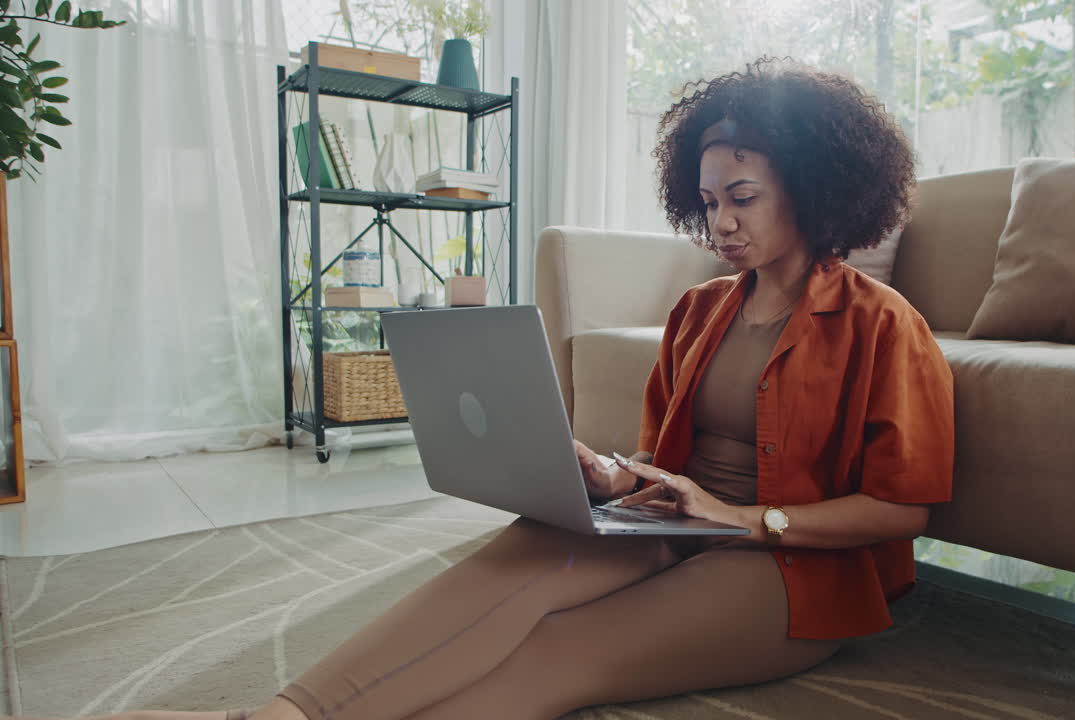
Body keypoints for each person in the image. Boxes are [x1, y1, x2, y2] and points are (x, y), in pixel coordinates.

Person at [32, 56, 954, 720]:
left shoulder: (883, 323)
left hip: (794, 570)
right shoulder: (698, 312)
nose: (719, 221)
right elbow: (663, 460)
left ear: (815, 187)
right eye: (708, 200)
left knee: (558, 648)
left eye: (741, 197)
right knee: (519, 564)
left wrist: (748, 519)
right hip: (676, 525)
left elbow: (902, 510)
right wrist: (611, 476)